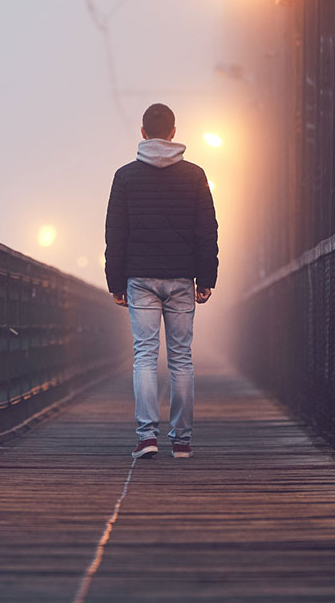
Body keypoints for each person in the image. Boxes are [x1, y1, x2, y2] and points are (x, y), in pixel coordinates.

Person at [104, 103, 218, 459]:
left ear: (142, 133)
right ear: (173, 132)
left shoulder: (125, 177)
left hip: (140, 278)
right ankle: (182, 441)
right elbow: (207, 230)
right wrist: (206, 276)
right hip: (182, 277)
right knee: (182, 359)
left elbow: (115, 233)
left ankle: (147, 437)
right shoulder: (195, 175)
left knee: (145, 357)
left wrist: (115, 282)